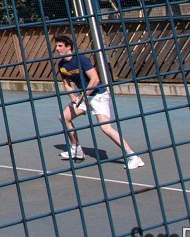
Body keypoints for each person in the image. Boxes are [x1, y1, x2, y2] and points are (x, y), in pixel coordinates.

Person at [51, 32, 145, 170]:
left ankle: (133, 157)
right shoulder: (61, 65)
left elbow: (95, 79)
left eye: (60, 46)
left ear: (69, 47)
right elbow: (66, 84)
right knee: (64, 117)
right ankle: (76, 149)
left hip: (98, 95)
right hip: (84, 97)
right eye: (57, 46)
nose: (57, 49)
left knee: (105, 127)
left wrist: (83, 96)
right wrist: (73, 98)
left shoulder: (81, 60)